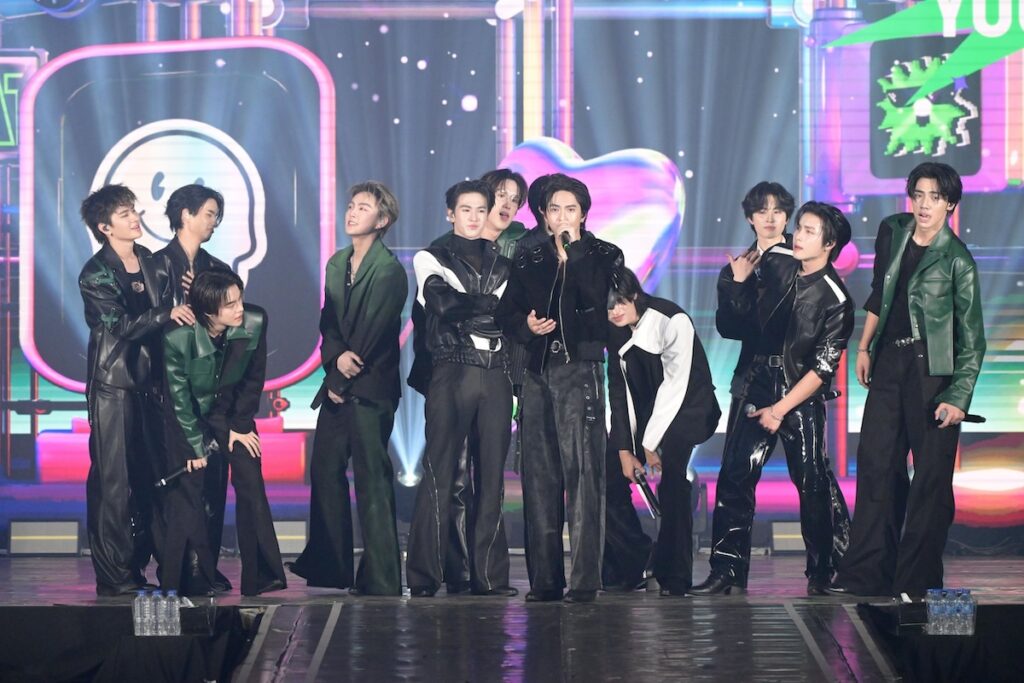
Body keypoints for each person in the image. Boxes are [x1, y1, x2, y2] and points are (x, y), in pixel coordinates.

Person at [830, 162, 985, 598]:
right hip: (889, 366)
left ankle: (917, 580)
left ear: (950, 204)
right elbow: (880, 292)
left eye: (935, 197)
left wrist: (958, 396)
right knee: (877, 466)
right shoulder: (893, 231)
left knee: (930, 481)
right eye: (918, 195)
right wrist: (865, 347)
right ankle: (867, 574)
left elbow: (972, 340)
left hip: (932, 376)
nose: (924, 205)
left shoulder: (958, 260)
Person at [693, 201, 854, 596]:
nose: (798, 235)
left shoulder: (836, 299)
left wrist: (781, 409)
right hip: (757, 382)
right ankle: (726, 570)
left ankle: (823, 572)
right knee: (734, 475)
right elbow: (736, 324)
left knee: (812, 482)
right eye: (800, 227)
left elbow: (821, 369)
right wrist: (737, 284)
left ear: (829, 244)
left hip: (800, 396)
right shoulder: (777, 264)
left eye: (810, 231)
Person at [497, 173, 623, 603]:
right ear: (544, 216)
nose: (563, 217)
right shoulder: (529, 257)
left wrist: (576, 256)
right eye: (555, 210)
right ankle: (545, 581)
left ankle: (585, 580)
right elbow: (506, 313)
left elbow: (604, 307)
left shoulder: (605, 255)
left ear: (583, 214)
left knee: (584, 475)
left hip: (580, 371)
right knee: (539, 477)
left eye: (571, 209)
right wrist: (526, 326)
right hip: (537, 372)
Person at [406, 169, 529, 594]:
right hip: (451, 371)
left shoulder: (507, 265)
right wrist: (487, 307)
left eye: (481, 209)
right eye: (466, 210)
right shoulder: (430, 257)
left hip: (496, 374)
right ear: (450, 214)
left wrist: (478, 310)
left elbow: (509, 319)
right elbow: (442, 303)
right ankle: (426, 575)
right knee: (440, 473)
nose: (475, 217)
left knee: (492, 477)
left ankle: (489, 577)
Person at [287, 181, 407, 596]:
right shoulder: (337, 263)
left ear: (383, 219)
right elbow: (330, 322)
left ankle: (382, 577)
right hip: (338, 381)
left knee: (372, 478)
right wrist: (334, 358)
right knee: (324, 469)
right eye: (351, 205)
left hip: (371, 387)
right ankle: (330, 566)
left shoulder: (389, 270)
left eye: (363, 207)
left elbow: (372, 332)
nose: (352, 213)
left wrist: (339, 379)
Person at [78, 184, 192, 596]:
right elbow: (120, 326)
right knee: (114, 482)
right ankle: (114, 575)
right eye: (125, 214)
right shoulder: (95, 273)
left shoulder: (153, 262)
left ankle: (147, 565)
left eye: (134, 210)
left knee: (152, 478)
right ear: (105, 227)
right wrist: (167, 312)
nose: (134, 218)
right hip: (114, 386)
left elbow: (174, 311)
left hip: (150, 385)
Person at [160, 269, 286, 596]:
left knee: (249, 475)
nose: (239, 308)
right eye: (230, 305)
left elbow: (253, 381)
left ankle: (261, 575)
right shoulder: (177, 337)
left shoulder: (255, 321)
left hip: (233, 414)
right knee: (191, 489)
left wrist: (239, 427)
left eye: (239, 299)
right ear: (208, 310)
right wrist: (194, 446)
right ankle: (192, 577)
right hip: (191, 419)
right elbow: (179, 400)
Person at [605, 268, 721, 596]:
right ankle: (635, 558)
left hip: (689, 408)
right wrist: (624, 449)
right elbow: (619, 390)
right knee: (606, 476)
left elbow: (676, 386)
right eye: (608, 307)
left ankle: (675, 575)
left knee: (673, 478)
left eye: (619, 303)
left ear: (634, 295)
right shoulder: (614, 328)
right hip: (647, 415)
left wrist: (650, 444)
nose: (614, 312)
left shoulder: (671, 319)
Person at [154, 183, 233, 593]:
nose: (214, 222)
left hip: (211, 390)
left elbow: (231, 320)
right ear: (185, 214)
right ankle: (177, 570)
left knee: (213, 485)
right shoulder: (154, 266)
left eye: (217, 215)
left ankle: (206, 568)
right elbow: (146, 326)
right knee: (178, 484)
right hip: (167, 389)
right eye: (208, 213)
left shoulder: (216, 268)